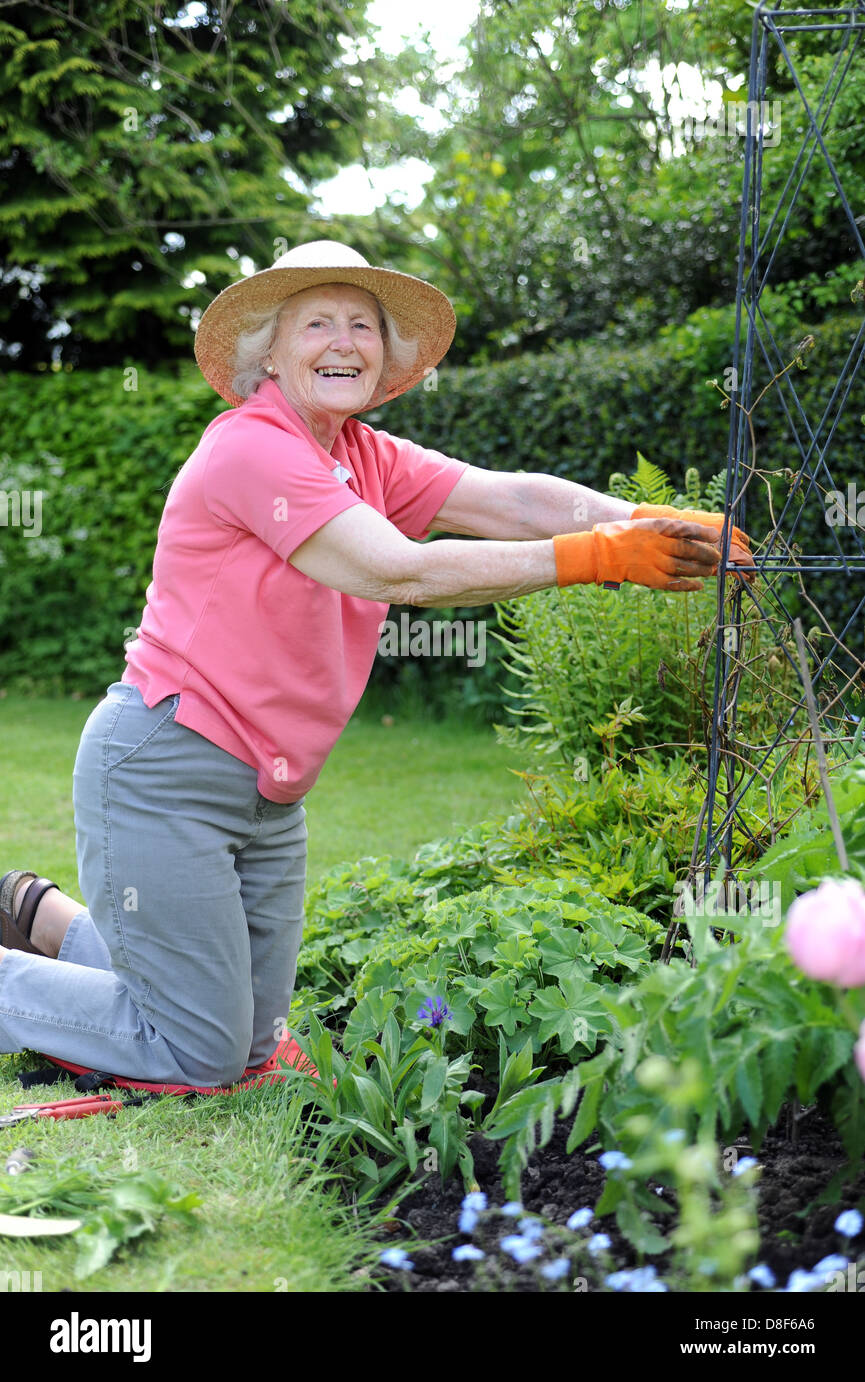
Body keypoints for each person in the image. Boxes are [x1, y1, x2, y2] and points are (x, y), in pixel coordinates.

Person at [0, 240, 753, 1088]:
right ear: (269, 356)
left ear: (385, 357)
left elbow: (508, 497)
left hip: (271, 791)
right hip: (169, 763)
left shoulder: (362, 455)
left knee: (254, 1040)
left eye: (362, 324)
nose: (343, 342)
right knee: (198, 1054)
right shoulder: (252, 449)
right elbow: (398, 569)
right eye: (316, 323)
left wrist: (646, 517)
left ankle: (33, 912)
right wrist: (595, 557)